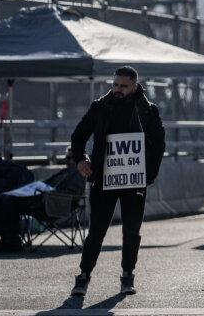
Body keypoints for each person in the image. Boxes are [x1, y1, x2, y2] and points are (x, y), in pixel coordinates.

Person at [69, 66, 166, 297]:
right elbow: (78, 136)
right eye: (115, 85)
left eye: (123, 86)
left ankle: (127, 275)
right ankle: (83, 276)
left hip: (134, 179)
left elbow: (159, 145)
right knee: (97, 230)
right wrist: (81, 159)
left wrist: (148, 175)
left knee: (131, 231)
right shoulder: (100, 107)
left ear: (135, 86)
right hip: (104, 178)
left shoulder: (148, 110)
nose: (117, 89)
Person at [0, 148, 85, 253]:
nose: (67, 161)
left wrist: (49, 194)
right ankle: (7, 240)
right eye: (66, 158)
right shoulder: (65, 172)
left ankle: (12, 242)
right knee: (5, 197)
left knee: (9, 201)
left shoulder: (78, 174)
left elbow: (74, 194)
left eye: (69, 158)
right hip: (42, 199)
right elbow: (46, 184)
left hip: (54, 204)